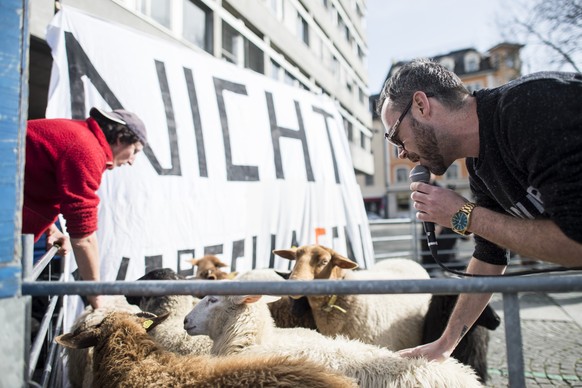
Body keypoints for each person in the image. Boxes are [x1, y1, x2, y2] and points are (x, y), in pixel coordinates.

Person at [376, 58, 582, 362]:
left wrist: (465, 215)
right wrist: (444, 345)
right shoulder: (479, 165)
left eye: (395, 136)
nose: (401, 152)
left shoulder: (528, 107)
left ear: (421, 105)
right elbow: (489, 256)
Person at [22, 107, 148, 309]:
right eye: (135, 151)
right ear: (120, 139)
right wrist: (96, 297)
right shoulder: (86, 149)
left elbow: (29, 182)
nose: (132, 161)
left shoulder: (81, 138)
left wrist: (50, 229)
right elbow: (84, 236)